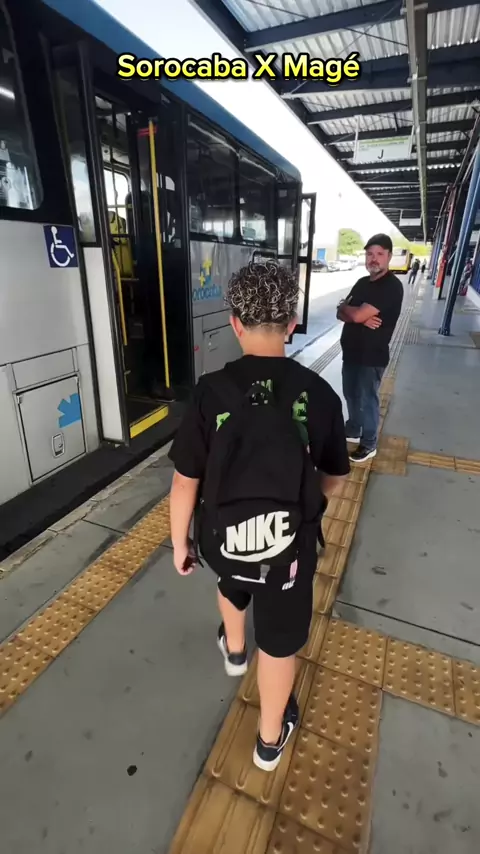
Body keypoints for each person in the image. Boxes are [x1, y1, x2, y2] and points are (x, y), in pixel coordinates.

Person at [168, 259, 349, 772]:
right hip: (288, 551)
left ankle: (234, 651)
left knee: (232, 581)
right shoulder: (319, 394)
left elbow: (185, 481)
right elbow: (336, 475)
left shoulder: (209, 392)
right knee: (279, 646)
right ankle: (269, 742)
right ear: (292, 323)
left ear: (235, 324)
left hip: (224, 540)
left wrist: (181, 543)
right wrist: (307, 505)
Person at [337, 233, 404, 464]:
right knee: (350, 394)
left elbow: (353, 314)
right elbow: (340, 313)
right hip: (351, 351)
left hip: (371, 356)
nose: (373, 259)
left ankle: (369, 443)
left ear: (389, 257)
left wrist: (353, 314)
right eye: (369, 254)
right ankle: (353, 429)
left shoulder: (391, 286)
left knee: (367, 400)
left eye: (379, 254)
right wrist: (352, 313)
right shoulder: (362, 283)